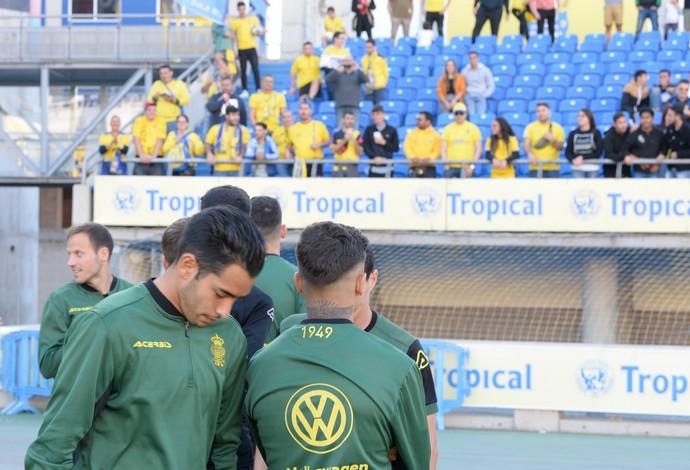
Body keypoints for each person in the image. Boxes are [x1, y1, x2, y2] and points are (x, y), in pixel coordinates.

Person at [26, 207, 263, 469]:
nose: (225, 310)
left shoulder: (229, 335)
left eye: (235, 299)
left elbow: (225, 445)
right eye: (220, 293)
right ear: (187, 266)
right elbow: (51, 449)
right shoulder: (107, 325)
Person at [246, 222, 431, 469]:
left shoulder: (260, 366)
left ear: (299, 283)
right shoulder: (399, 367)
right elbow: (418, 461)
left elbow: (265, 451)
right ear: (360, 283)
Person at [200, 186, 276, 470]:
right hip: (224, 431)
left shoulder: (256, 301)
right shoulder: (173, 289)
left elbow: (239, 365)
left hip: (226, 430)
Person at [38, 224, 132, 379]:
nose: (70, 262)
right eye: (69, 254)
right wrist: (87, 339)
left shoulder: (132, 295)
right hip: (80, 401)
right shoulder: (60, 300)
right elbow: (48, 366)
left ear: (103, 254)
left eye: (78, 254)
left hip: (123, 401)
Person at [252, 196, 305, 344]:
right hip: (283, 363)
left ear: (245, 231)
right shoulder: (299, 278)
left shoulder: (229, 276)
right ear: (283, 231)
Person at [287, 102, 331, 176]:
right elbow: (289, 145)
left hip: (315, 162)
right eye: (301, 109)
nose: (303, 111)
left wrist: (320, 144)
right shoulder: (292, 128)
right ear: (298, 111)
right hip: (300, 164)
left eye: (306, 109)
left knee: (315, 186)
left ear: (310, 111)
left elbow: (328, 141)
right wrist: (289, 152)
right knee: (300, 186)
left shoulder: (319, 125)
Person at [205, 106, 251, 176]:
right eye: (233, 115)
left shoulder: (244, 130)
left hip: (237, 169)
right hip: (219, 168)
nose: (236, 118)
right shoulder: (215, 128)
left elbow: (245, 145)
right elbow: (208, 142)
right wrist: (209, 153)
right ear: (226, 116)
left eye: (237, 115)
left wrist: (241, 156)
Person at [523, 102, 565, 177]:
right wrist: (529, 154)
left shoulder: (558, 128)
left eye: (543, 110)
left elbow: (561, 147)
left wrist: (552, 140)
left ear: (549, 112)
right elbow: (526, 143)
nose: (541, 113)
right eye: (538, 111)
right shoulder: (530, 127)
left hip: (552, 168)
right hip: (535, 167)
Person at [231, 1, 264, 95]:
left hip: (252, 48)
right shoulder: (235, 22)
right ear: (237, 10)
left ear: (245, 9)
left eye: (243, 9)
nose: (242, 11)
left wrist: (259, 32)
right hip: (241, 49)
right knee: (243, 70)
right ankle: (245, 89)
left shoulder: (253, 19)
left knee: (255, 69)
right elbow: (234, 36)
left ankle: (258, 88)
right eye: (240, 9)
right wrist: (234, 49)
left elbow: (259, 31)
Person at [621, 107, 666, 177]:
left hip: (655, 170)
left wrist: (658, 163)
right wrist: (635, 158)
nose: (645, 120)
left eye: (648, 117)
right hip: (638, 171)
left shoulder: (659, 134)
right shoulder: (634, 134)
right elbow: (624, 149)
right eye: (643, 118)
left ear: (652, 118)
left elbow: (665, 149)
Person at [441, 103, 482, 178]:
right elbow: (443, 150)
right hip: (451, 166)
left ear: (466, 114)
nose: (459, 115)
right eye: (456, 113)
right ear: (453, 115)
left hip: (467, 166)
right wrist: (446, 165)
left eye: (461, 113)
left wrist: (472, 166)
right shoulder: (447, 129)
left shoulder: (473, 128)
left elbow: (478, 150)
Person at [327, 57, 368, 128]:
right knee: (340, 128)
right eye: (345, 65)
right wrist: (336, 70)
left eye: (349, 65)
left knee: (354, 129)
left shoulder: (357, 74)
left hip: (354, 105)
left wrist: (358, 69)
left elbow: (366, 79)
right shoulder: (338, 74)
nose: (347, 67)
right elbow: (327, 79)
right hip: (340, 105)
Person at [147, 64, 190, 132]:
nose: (163, 76)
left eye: (165, 73)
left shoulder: (179, 84)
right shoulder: (156, 84)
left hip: (174, 120)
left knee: (173, 140)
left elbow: (186, 100)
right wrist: (156, 97)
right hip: (159, 120)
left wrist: (174, 100)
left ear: (171, 73)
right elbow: (149, 100)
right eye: (161, 74)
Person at [362, 104, 401, 177]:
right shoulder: (369, 130)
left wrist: (384, 143)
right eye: (374, 115)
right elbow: (365, 147)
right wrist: (374, 157)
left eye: (378, 114)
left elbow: (396, 148)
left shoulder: (392, 130)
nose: (376, 117)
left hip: (388, 168)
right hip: (373, 167)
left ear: (383, 115)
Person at [566, 109, 604, 178]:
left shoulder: (596, 133)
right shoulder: (573, 133)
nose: (580, 118)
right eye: (578, 116)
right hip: (577, 168)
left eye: (583, 116)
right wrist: (573, 159)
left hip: (592, 168)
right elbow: (568, 152)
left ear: (589, 118)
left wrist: (583, 158)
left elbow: (599, 152)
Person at [132, 101, 167, 176]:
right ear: (145, 112)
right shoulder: (139, 121)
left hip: (156, 158)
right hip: (140, 158)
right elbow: (136, 138)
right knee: (139, 183)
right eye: (149, 110)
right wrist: (142, 155)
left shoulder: (161, 121)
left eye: (154, 110)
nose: (152, 112)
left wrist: (153, 157)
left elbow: (160, 140)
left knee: (156, 184)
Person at [405, 111, 442, 177]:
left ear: (428, 121)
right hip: (414, 167)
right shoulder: (411, 134)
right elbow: (407, 148)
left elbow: (437, 150)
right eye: (417, 119)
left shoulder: (435, 135)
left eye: (420, 120)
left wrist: (429, 158)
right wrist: (413, 158)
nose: (417, 121)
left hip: (429, 168)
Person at [462, 51, 495, 117]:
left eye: (474, 58)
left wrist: (484, 95)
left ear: (478, 59)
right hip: (469, 96)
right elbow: (462, 85)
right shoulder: (465, 71)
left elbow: (491, 86)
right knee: (471, 115)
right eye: (470, 58)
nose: (472, 60)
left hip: (481, 95)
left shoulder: (485, 70)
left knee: (480, 116)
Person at [331, 111, 363, 177]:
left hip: (352, 166)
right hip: (339, 166)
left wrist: (353, 139)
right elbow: (333, 150)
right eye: (348, 118)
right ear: (343, 120)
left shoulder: (357, 134)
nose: (350, 121)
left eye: (352, 119)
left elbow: (360, 152)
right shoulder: (336, 133)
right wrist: (345, 140)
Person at [662, 103, 690, 178]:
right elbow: (665, 146)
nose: (667, 118)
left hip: (684, 169)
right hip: (670, 167)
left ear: (678, 116)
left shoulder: (688, 131)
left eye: (670, 115)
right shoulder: (669, 129)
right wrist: (662, 154)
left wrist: (678, 154)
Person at [320, 32, 352, 97]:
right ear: (335, 39)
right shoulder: (327, 50)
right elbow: (323, 66)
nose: (343, 40)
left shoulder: (346, 51)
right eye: (342, 38)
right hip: (332, 76)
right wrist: (335, 69)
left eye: (344, 39)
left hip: (344, 76)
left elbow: (351, 65)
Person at [603, 112, 633, 178]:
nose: (623, 125)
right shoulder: (608, 136)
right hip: (610, 171)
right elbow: (609, 154)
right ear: (614, 124)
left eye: (624, 122)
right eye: (620, 123)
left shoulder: (630, 133)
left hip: (625, 171)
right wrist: (623, 157)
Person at [362, 39, 390, 105]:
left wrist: (382, 84)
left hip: (379, 87)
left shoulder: (381, 58)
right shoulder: (364, 59)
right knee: (368, 107)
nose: (368, 49)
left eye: (370, 47)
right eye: (366, 47)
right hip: (368, 87)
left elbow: (386, 73)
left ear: (374, 47)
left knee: (378, 107)